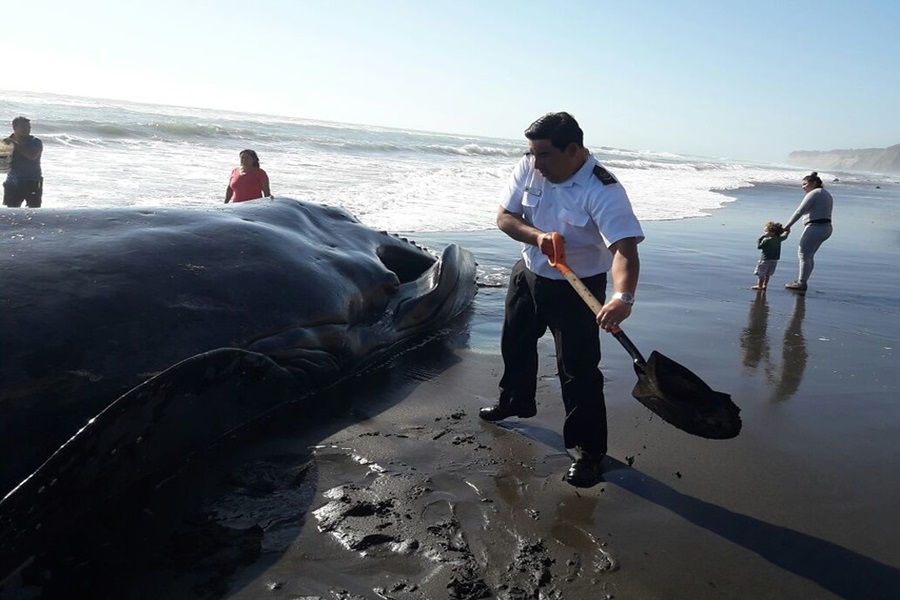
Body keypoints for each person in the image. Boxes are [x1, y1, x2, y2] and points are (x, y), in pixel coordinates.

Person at [482, 112, 644, 489]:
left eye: (544, 155)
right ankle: (516, 400)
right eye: (532, 154)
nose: (535, 163)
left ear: (573, 150)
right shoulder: (530, 165)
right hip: (528, 272)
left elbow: (624, 249)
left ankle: (589, 451)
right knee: (516, 342)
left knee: (578, 369)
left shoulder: (603, 190)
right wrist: (536, 236)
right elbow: (505, 217)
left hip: (579, 286)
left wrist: (623, 297)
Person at [782, 172, 833, 291]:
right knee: (809, 256)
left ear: (814, 183)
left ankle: (801, 282)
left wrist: (787, 226)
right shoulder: (824, 193)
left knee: (803, 255)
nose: (803, 187)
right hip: (825, 228)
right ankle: (803, 280)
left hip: (816, 227)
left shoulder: (814, 193)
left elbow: (799, 211)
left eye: (805, 184)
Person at [2, 116, 43, 208]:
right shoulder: (6, 143)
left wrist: (15, 144)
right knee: (11, 212)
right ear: (15, 128)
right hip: (12, 182)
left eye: (29, 127)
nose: (27, 130)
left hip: (32, 181)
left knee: (34, 211)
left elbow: (32, 156)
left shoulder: (35, 142)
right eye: (24, 127)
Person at [752, 221, 789, 290]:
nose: (764, 233)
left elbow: (759, 247)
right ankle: (764, 285)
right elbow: (785, 236)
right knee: (768, 274)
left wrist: (760, 239)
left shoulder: (766, 240)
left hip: (765, 259)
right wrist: (788, 231)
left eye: (766, 231)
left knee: (761, 274)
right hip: (775, 259)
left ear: (772, 232)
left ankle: (759, 286)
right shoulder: (779, 239)